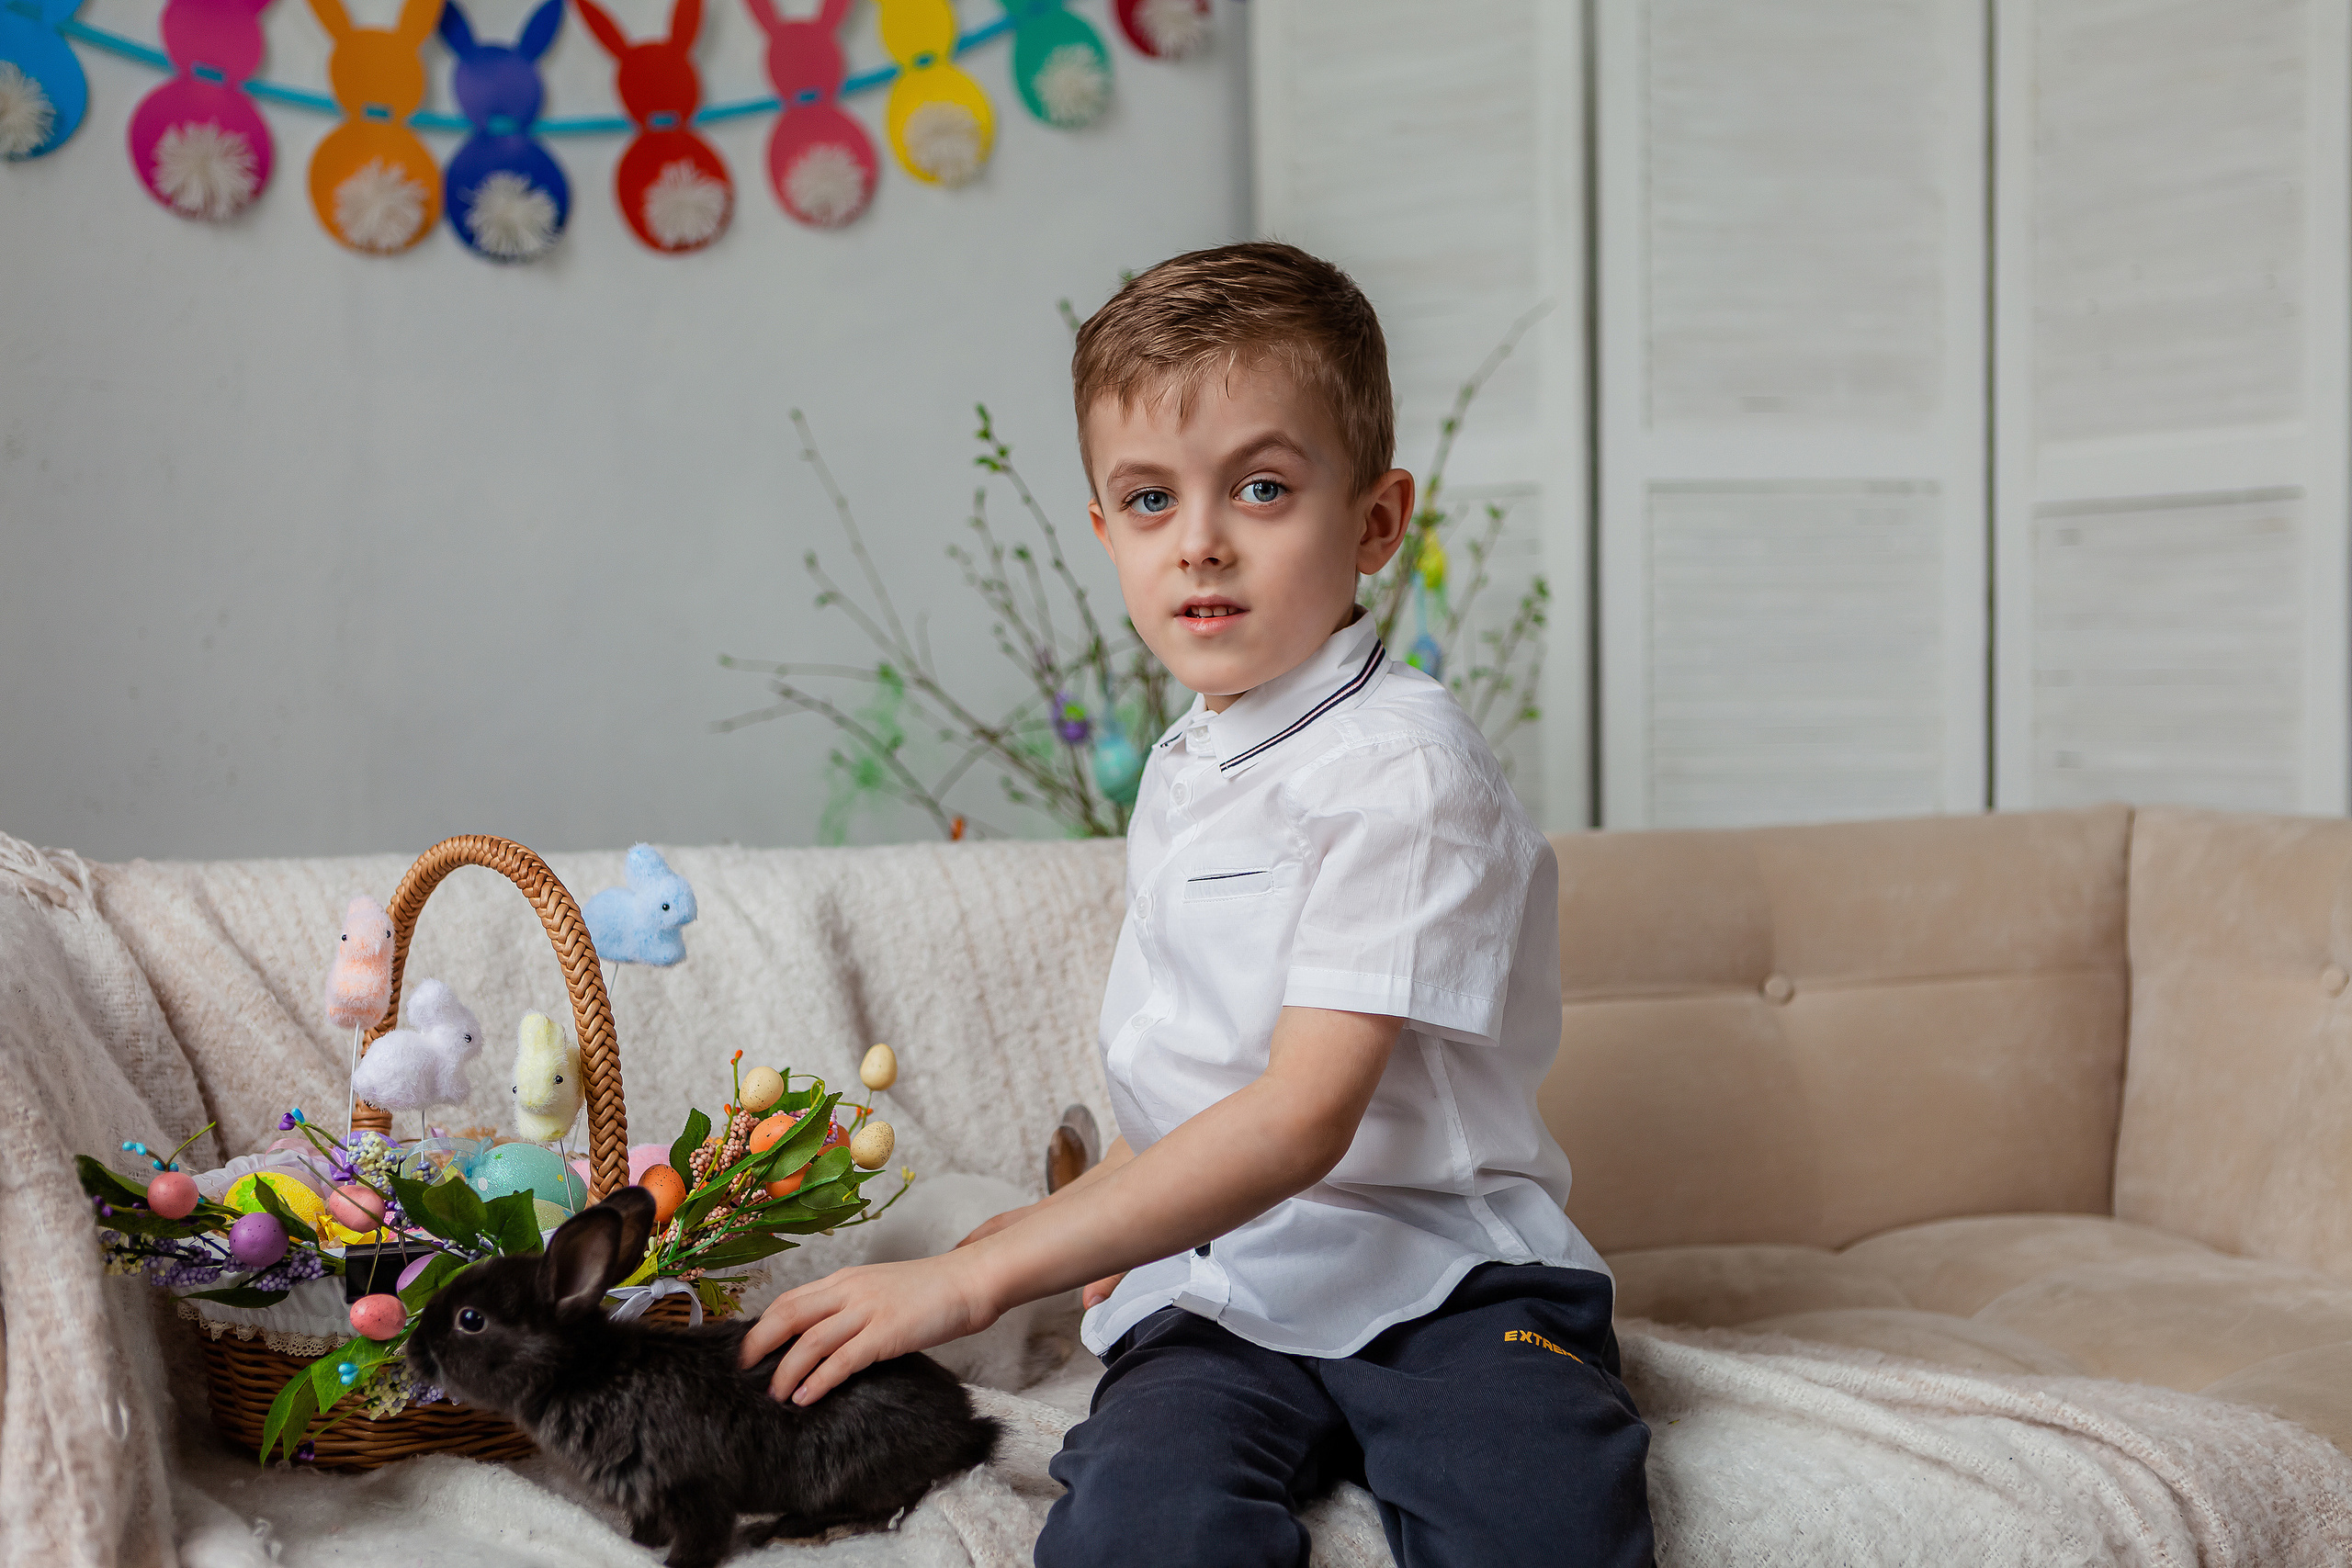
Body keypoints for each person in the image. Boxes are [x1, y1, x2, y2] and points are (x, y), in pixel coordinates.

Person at [741, 241, 1656, 1567]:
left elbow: (1296, 1117)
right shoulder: (1192, 760)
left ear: (1377, 521)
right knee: (1135, 1531)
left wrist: (978, 1275)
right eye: (1152, 499)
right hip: (1221, 1292)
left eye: (1265, 487)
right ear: (1105, 531)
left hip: (1447, 1284)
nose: (1204, 542)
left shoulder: (1401, 764)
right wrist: (1077, 1220)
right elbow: (1203, 1082)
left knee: (1543, 1520)